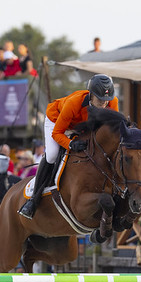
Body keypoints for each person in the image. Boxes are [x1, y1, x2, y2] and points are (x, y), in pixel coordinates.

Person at [18, 74, 119, 219]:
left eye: (106, 100)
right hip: (57, 122)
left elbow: (111, 128)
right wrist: (70, 144)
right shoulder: (74, 103)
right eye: (100, 99)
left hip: (82, 125)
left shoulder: (112, 101)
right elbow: (57, 133)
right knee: (52, 155)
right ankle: (34, 199)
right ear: (91, 95)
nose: (104, 104)